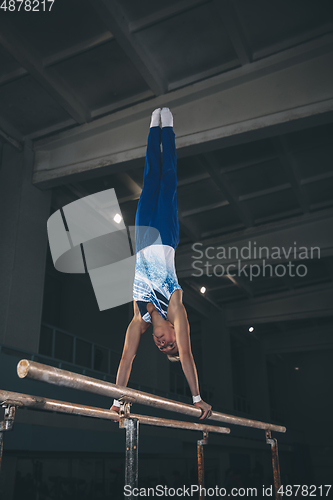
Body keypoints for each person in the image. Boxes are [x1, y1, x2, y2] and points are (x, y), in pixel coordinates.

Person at [111, 108, 212, 420]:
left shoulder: (139, 317)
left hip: (143, 237)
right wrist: (196, 398)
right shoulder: (175, 307)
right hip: (166, 235)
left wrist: (117, 401)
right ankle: (167, 128)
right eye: (171, 344)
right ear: (173, 330)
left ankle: (152, 129)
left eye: (163, 349)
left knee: (148, 179)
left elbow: (127, 358)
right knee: (167, 179)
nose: (163, 344)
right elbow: (188, 355)